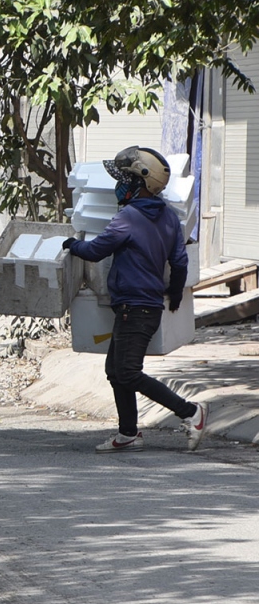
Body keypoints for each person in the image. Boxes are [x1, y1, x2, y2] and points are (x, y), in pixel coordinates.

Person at [63, 145, 207, 453]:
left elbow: (95, 250)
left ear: (140, 183)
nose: (120, 186)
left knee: (127, 371)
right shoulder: (169, 218)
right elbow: (179, 262)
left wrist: (71, 245)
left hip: (135, 307)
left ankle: (190, 412)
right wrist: (174, 294)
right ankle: (128, 432)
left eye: (125, 180)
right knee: (115, 371)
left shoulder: (128, 217)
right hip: (145, 306)